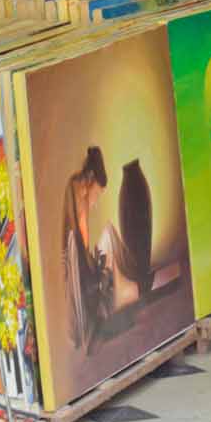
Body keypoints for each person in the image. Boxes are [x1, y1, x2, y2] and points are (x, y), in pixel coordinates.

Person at [61, 145, 138, 350]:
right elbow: (79, 236)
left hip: (76, 257)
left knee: (109, 238)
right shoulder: (79, 189)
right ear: (91, 181)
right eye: (98, 194)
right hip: (74, 260)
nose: (96, 202)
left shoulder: (76, 188)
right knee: (108, 237)